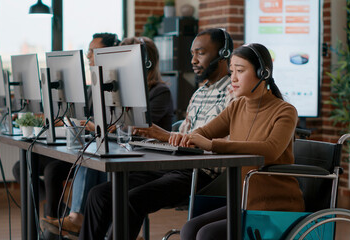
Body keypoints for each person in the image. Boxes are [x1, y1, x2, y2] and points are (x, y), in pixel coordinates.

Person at [78, 28, 234, 240]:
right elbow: (182, 139)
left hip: (203, 173)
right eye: (192, 54)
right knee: (99, 195)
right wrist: (158, 139)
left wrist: (162, 135)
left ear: (223, 54)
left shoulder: (233, 94)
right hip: (175, 165)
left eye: (201, 53)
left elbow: (210, 142)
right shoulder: (199, 92)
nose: (194, 60)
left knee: (132, 199)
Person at [43, 36, 175, 239]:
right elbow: (109, 126)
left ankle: (95, 224)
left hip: (147, 161)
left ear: (145, 62)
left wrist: (96, 125)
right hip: (121, 153)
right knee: (89, 156)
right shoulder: (119, 91)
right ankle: (85, 220)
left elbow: (138, 128)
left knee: (94, 166)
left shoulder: (160, 92)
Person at [175, 43, 305, 240]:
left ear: (263, 73)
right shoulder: (237, 107)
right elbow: (205, 132)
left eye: (240, 71)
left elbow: (270, 150)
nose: (233, 78)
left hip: (275, 207)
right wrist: (188, 137)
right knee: (189, 229)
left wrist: (213, 145)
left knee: (207, 234)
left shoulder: (285, 111)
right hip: (244, 203)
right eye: (232, 71)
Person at [40, 33, 121, 237]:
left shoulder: (118, 86)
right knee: (38, 166)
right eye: (88, 51)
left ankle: (74, 218)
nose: (88, 57)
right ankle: (66, 216)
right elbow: (86, 118)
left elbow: (115, 126)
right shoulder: (91, 87)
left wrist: (90, 126)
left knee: (77, 159)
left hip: (110, 149)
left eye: (92, 52)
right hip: (93, 144)